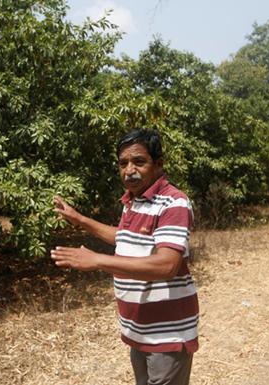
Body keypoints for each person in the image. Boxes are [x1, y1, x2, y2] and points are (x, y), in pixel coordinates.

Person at [51, 129, 199, 385]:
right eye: (123, 163)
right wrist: (81, 220)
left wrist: (97, 261)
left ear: (159, 164)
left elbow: (167, 265)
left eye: (139, 162)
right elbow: (126, 238)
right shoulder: (133, 201)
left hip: (167, 333)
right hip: (139, 328)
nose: (129, 170)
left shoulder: (173, 203)